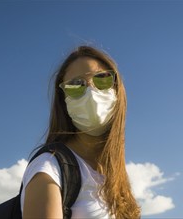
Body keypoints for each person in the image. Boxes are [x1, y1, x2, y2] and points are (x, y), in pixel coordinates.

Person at [20, 46, 141, 218]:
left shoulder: (116, 177)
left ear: (117, 90)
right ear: (64, 102)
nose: (91, 93)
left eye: (102, 79)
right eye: (75, 86)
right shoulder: (48, 170)